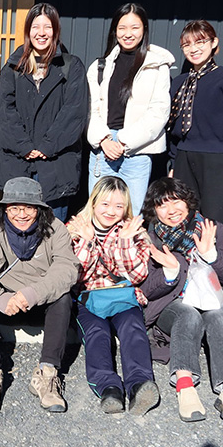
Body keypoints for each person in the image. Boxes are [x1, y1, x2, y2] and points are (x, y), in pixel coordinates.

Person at [141, 177, 223, 426]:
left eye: (176, 202)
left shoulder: (211, 229)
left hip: (212, 301)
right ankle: (185, 386)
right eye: (162, 205)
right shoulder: (151, 239)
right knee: (188, 313)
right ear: (154, 211)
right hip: (171, 306)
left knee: (219, 313)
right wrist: (169, 272)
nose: (171, 210)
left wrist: (212, 255)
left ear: (188, 202)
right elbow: (143, 290)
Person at [0, 177, 79, 414]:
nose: (21, 214)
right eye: (14, 208)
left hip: (39, 300)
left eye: (28, 208)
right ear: (5, 209)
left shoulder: (56, 229)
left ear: (39, 209)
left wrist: (32, 294)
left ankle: (48, 374)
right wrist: (0, 298)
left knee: (63, 297)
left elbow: (66, 268)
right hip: (5, 303)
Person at [66, 176, 159, 415]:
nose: (111, 211)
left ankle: (139, 385)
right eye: (105, 204)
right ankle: (109, 388)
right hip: (89, 296)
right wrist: (87, 243)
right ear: (94, 203)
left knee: (133, 328)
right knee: (97, 333)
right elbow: (74, 276)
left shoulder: (133, 230)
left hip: (122, 295)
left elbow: (137, 275)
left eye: (119, 206)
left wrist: (126, 243)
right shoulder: (75, 228)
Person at [0, 3, 88, 222]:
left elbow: (74, 112)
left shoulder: (71, 66)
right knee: (19, 228)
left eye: (47, 27)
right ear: (28, 30)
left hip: (56, 164)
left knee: (52, 230)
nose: (41, 32)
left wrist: (47, 146)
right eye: (36, 26)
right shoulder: (12, 67)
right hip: (19, 161)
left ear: (55, 30)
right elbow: (5, 112)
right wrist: (25, 146)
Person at [167, 20, 223, 237]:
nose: (193, 49)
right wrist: (174, 162)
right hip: (184, 159)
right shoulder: (179, 83)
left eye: (200, 42)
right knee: (183, 219)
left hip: (217, 161)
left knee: (218, 222)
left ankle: (222, 260)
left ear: (214, 43)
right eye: (187, 44)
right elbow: (173, 125)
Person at [86, 3, 174, 213]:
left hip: (137, 150)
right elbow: (90, 108)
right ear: (114, 30)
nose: (128, 33)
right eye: (122, 28)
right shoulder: (100, 66)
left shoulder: (157, 66)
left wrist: (124, 141)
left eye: (135, 27)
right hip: (104, 148)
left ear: (144, 29)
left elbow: (159, 111)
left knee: (131, 214)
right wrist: (104, 140)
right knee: (99, 212)